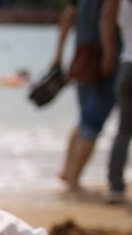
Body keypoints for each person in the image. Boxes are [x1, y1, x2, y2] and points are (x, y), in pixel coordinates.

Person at [53, 0, 121, 195]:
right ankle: (74, 182)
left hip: (81, 54)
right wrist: (109, 54)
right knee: (92, 122)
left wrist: (58, 56)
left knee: (84, 118)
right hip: (101, 58)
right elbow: (107, 15)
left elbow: (66, 18)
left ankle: (67, 173)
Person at [106, 0, 132, 203]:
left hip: (126, 65)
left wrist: (108, 55)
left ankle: (115, 186)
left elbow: (107, 18)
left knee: (123, 131)